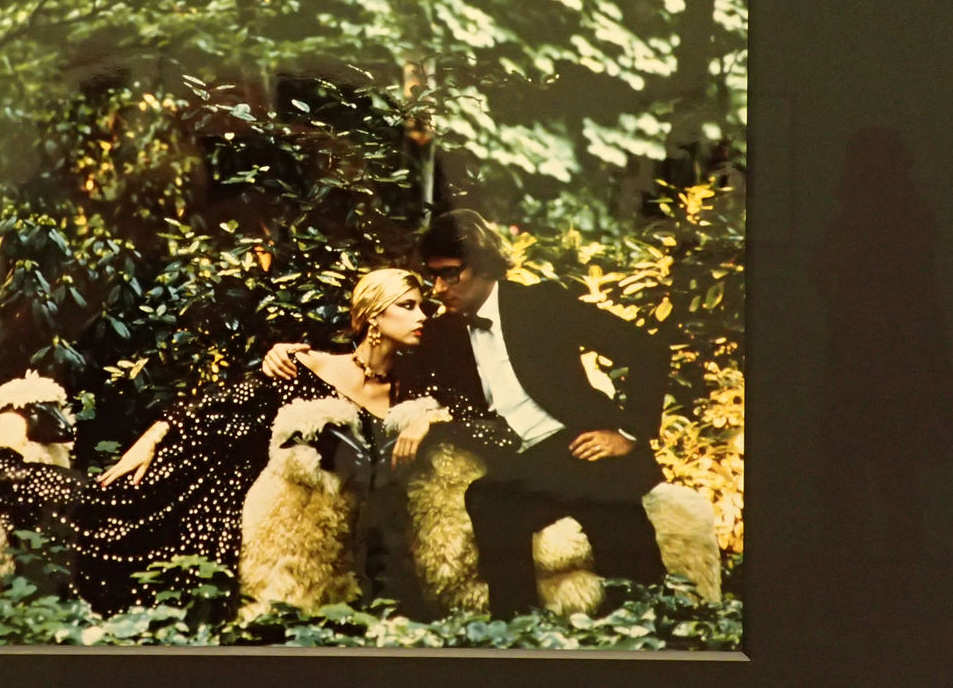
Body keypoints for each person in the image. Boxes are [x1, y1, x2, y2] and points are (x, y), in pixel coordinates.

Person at [0, 268, 451, 616]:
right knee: (108, 511)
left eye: (422, 307)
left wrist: (428, 420)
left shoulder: (409, 392)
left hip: (288, 510)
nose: (422, 316)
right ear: (373, 316)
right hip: (214, 473)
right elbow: (215, 406)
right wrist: (151, 439)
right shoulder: (307, 363)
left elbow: (457, 417)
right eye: (407, 306)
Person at [263, 209, 670, 618]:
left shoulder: (542, 304)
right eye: (434, 276)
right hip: (524, 462)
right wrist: (293, 354)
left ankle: (655, 616)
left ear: (483, 267)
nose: (439, 288)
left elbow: (646, 350)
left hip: (581, 444)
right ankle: (514, 627)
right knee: (488, 499)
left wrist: (628, 434)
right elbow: (377, 353)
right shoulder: (442, 333)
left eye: (451, 275)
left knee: (617, 531)